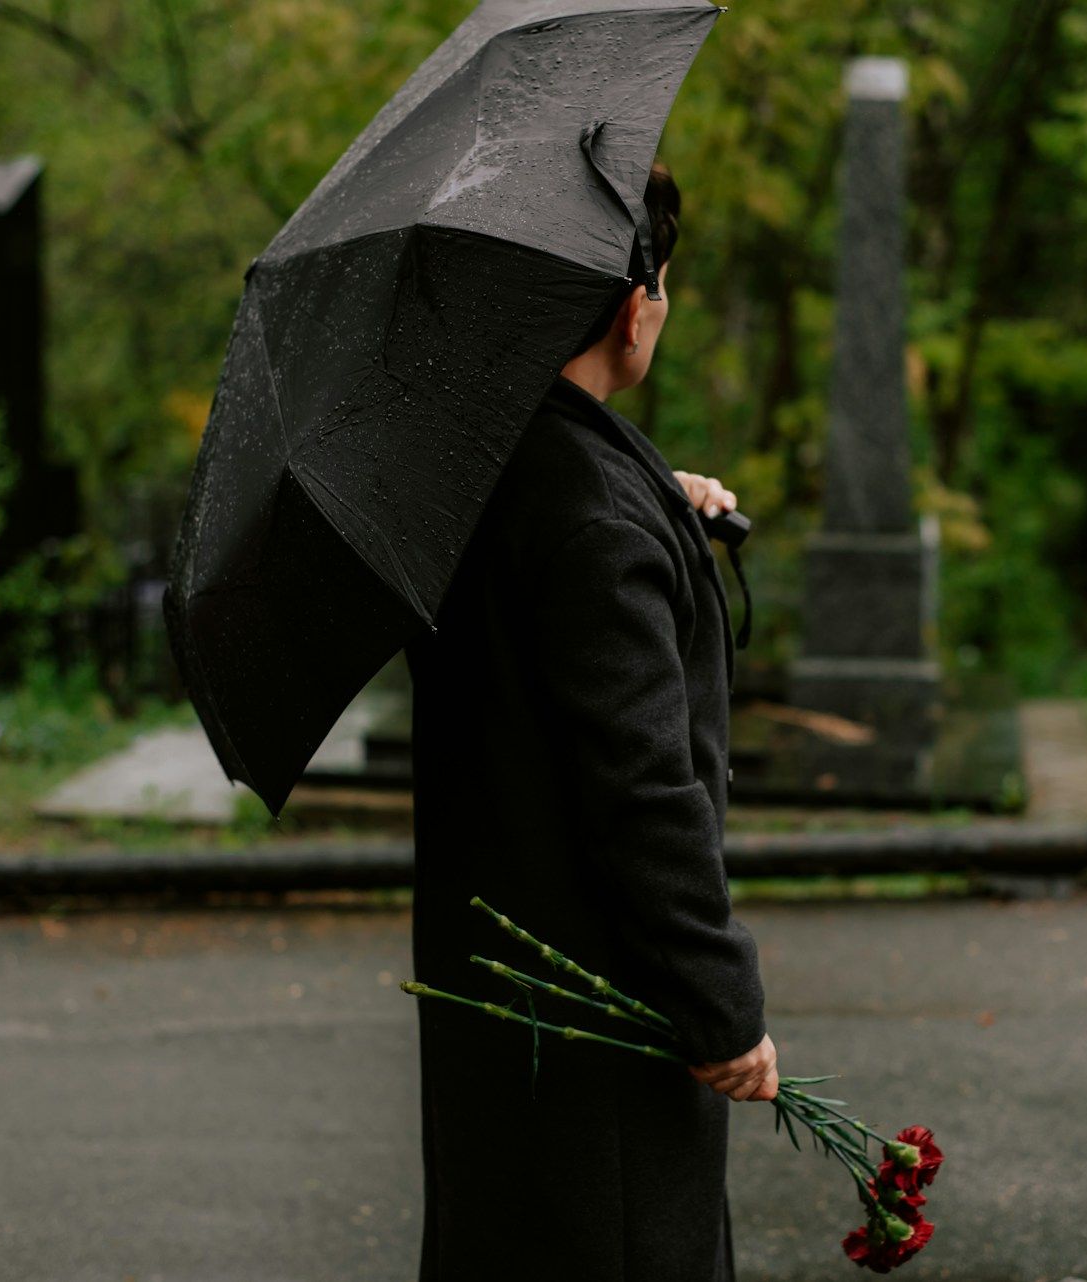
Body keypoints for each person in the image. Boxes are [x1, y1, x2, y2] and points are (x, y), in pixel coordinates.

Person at [404, 162, 775, 1282]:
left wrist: (659, 501)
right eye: (663, 282)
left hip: (501, 1004)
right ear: (633, 299)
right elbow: (642, 793)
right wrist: (722, 1003)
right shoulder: (589, 515)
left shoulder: (491, 466)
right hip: (593, 1015)